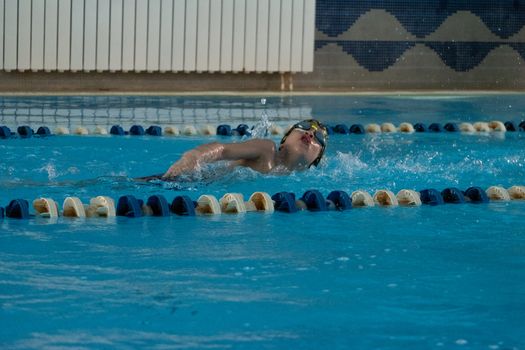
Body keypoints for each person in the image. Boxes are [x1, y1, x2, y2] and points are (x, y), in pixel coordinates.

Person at [144, 119, 328, 181]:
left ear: (316, 160)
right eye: (304, 126)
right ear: (284, 139)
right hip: (182, 181)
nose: (310, 134)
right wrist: (193, 157)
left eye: (318, 137)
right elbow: (222, 150)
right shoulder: (268, 151)